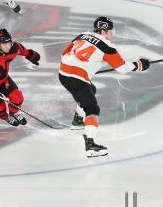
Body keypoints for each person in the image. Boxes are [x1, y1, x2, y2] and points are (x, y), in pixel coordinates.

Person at [60, 16, 151, 157]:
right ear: (103, 31)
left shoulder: (83, 34)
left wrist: (84, 68)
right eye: (109, 32)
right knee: (92, 108)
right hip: (76, 79)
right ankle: (90, 145)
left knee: (91, 89)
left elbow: (65, 53)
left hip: (63, 73)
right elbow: (122, 68)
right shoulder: (108, 47)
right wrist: (139, 65)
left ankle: (78, 120)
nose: (111, 35)